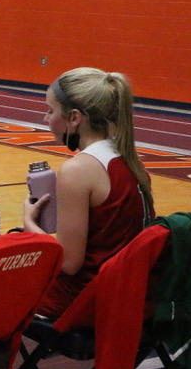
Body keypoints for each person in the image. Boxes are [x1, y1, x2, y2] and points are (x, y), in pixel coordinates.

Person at [23, 68, 153, 318]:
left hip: (86, 302)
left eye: (50, 110)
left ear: (74, 117)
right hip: (129, 292)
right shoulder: (128, 159)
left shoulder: (79, 170)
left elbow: (68, 263)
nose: (45, 118)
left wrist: (30, 223)